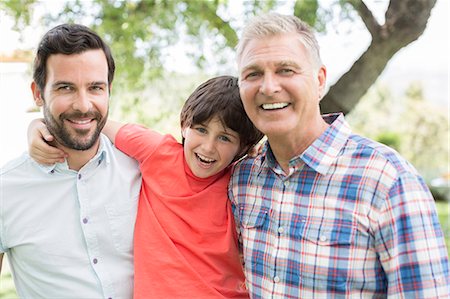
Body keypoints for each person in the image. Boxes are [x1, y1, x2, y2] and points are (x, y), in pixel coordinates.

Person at [228, 13, 450, 298]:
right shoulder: (241, 180)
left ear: (320, 81)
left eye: (286, 70)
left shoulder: (387, 181)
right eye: (253, 74)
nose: (268, 87)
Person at [29, 76, 263, 298]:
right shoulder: (157, 152)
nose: (208, 147)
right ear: (184, 126)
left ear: (242, 148)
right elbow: (92, 123)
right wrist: (38, 125)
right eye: (201, 130)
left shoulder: (239, 182)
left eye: (225, 138)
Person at [0, 24, 141, 298]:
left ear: (108, 90)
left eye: (95, 87)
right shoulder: (6, 190)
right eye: (66, 88)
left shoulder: (141, 170)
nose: (83, 104)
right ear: (38, 93)